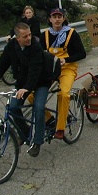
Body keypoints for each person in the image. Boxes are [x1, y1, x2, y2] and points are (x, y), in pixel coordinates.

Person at [0, 22, 51, 157]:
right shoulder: (11, 46)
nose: (29, 38)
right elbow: (1, 65)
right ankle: (25, 132)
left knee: (38, 108)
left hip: (41, 81)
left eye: (30, 35)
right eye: (25, 36)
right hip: (22, 82)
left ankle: (37, 142)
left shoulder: (36, 47)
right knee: (13, 107)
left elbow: (35, 70)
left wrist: (27, 88)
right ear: (17, 38)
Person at [40, 8, 86, 139]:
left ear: (64, 18)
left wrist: (66, 60)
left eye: (59, 16)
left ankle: (60, 128)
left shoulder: (71, 34)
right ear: (50, 19)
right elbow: (39, 54)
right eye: (54, 16)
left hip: (67, 69)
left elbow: (82, 53)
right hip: (50, 71)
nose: (57, 19)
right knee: (32, 95)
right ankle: (49, 119)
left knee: (64, 94)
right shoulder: (45, 35)